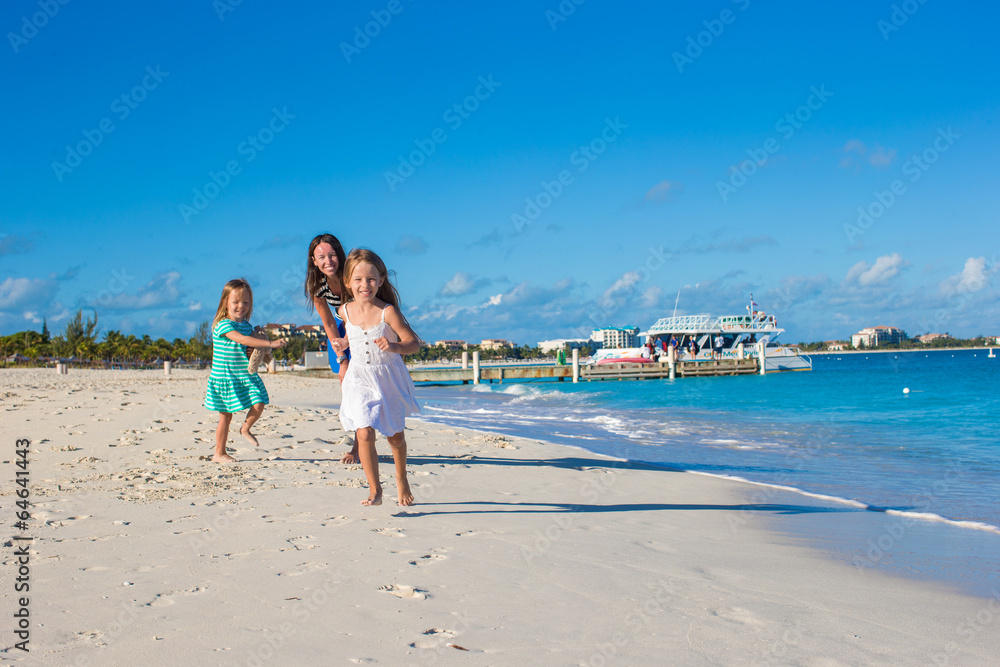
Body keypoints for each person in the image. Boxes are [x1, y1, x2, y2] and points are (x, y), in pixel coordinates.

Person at [330, 249, 420, 506]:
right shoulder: (344, 311)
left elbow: (414, 343)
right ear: (347, 282)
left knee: (395, 437)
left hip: (387, 378)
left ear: (381, 280)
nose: (365, 285)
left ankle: (401, 478)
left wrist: (395, 346)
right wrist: (344, 343)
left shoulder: (387, 312)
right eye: (358, 279)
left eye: (371, 279)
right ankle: (375, 489)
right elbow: (353, 336)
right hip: (359, 378)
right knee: (364, 432)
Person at [203, 279, 287, 464]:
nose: (241, 306)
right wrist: (270, 343)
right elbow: (242, 339)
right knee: (225, 416)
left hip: (244, 376)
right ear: (225, 302)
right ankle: (219, 452)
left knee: (260, 402)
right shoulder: (223, 325)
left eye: (246, 302)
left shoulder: (247, 327)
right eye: (236, 302)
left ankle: (245, 428)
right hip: (225, 378)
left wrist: (261, 346)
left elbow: (251, 347)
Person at [304, 233, 360, 464]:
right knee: (347, 384)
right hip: (340, 329)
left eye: (332, 255)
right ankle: (360, 439)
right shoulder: (317, 286)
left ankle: (359, 446)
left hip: (363, 326)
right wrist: (342, 358)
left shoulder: (352, 275)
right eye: (322, 257)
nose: (328, 261)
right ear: (314, 261)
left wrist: (349, 342)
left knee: (362, 384)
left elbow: (360, 314)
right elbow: (328, 323)